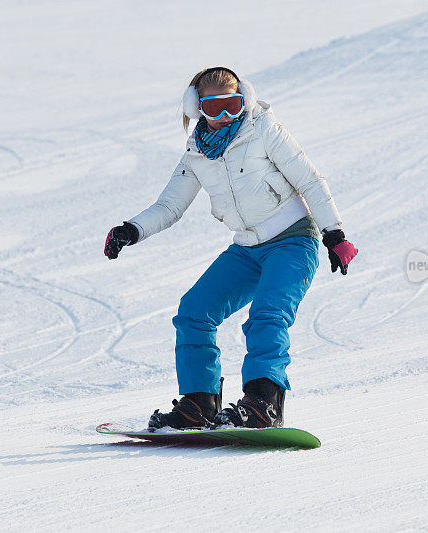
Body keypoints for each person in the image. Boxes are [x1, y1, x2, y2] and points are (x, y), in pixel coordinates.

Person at [104, 66, 357, 429]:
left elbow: (309, 178)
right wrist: (131, 230)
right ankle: (199, 404)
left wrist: (334, 234)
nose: (225, 116)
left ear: (245, 102)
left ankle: (262, 403)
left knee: (268, 315)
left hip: (291, 240)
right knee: (194, 311)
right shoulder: (196, 152)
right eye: (214, 107)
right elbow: (170, 205)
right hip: (248, 248)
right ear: (196, 108)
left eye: (233, 105)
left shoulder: (264, 130)